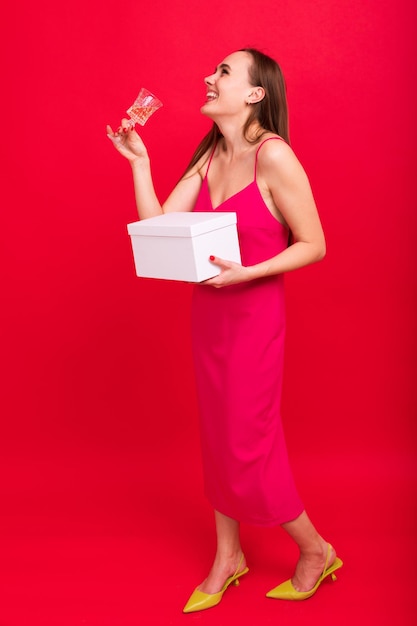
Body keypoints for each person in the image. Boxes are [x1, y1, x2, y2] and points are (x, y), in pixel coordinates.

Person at [107, 47, 343, 613]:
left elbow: (315, 244)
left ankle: (315, 549)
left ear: (256, 94)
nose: (208, 78)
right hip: (209, 318)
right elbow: (158, 228)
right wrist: (139, 162)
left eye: (223, 73)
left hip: (254, 318)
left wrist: (249, 272)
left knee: (248, 443)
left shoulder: (275, 156)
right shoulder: (211, 154)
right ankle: (227, 556)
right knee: (218, 437)